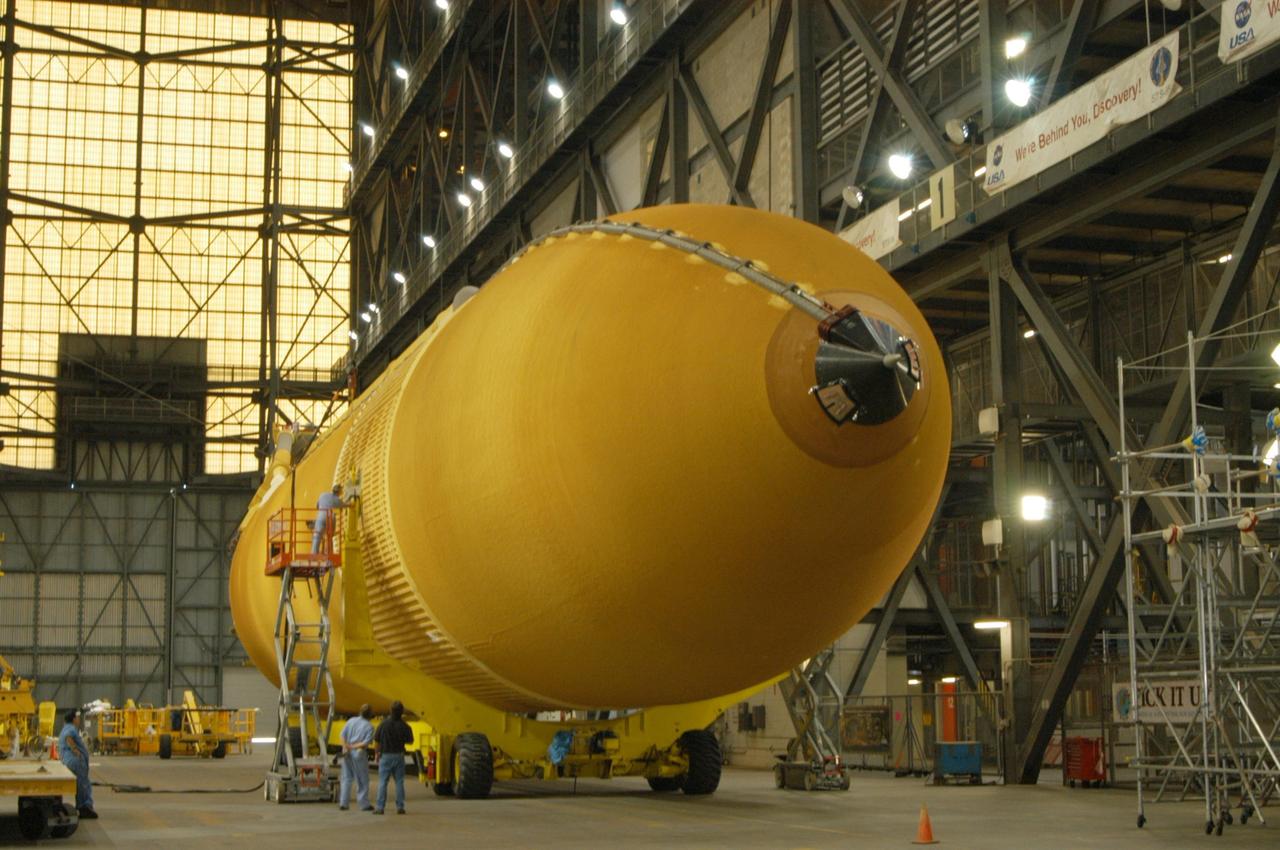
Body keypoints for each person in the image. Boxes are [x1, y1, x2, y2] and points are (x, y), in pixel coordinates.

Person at [372, 701, 414, 815]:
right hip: (399, 756)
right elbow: (410, 741)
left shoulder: (383, 724)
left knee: (382, 782)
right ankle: (400, 807)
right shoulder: (405, 726)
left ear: (390, 711)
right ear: (402, 712)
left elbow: (377, 740)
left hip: (385, 756)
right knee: (399, 782)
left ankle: (380, 808)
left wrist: (377, 753)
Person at [57, 709, 97, 819]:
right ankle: (84, 808)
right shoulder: (70, 729)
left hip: (70, 761)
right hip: (76, 762)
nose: (79, 720)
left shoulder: (66, 727)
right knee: (83, 785)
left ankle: (83, 806)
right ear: (74, 719)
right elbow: (68, 737)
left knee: (81, 785)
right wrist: (75, 749)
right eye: (78, 717)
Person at [338, 704, 375, 811]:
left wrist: (345, 746)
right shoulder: (369, 726)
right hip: (359, 754)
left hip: (347, 753)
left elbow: (342, 735)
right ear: (370, 715)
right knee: (362, 780)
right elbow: (365, 743)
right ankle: (364, 804)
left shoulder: (351, 721)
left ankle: (343, 803)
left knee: (346, 778)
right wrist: (352, 746)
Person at [311, 484, 347, 553]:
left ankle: (314, 554)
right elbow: (345, 505)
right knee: (329, 537)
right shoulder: (337, 500)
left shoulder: (323, 495)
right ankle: (329, 553)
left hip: (321, 516)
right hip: (330, 517)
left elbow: (317, 506)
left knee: (317, 536)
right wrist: (351, 504)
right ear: (339, 492)